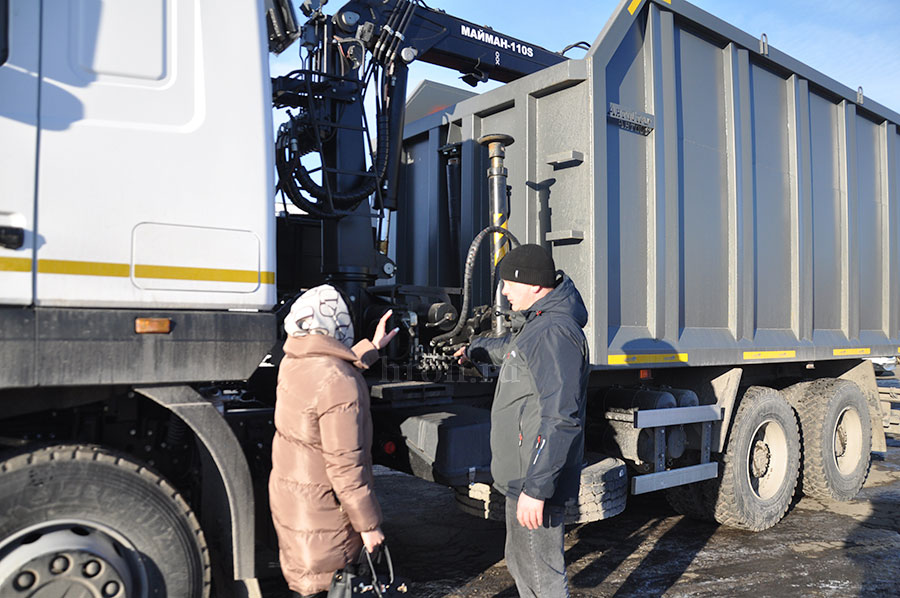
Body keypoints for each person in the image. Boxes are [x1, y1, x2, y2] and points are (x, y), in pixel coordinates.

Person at [455, 244, 589, 598]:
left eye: (508, 282)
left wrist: (537, 488)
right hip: (523, 472)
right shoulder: (540, 324)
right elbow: (513, 352)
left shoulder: (554, 331)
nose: (503, 291)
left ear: (533, 284)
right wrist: (473, 350)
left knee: (540, 573)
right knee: (520, 563)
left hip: (533, 477)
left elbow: (561, 417)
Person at [269, 284, 399, 598]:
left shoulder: (294, 361)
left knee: (308, 586)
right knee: (329, 588)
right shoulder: (339, 383)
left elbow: (329, 369)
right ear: (338, 325)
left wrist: (371, 348)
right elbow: (346, 468)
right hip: (326, 514)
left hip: (298, 506)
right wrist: (369, 526)